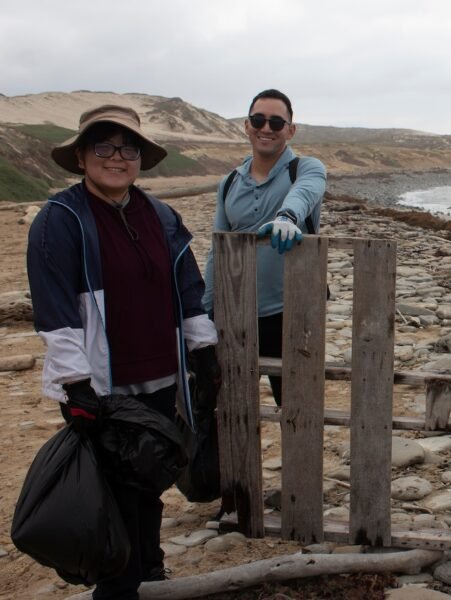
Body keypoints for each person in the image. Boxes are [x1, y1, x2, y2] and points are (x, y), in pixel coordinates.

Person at [27, 105, 220, 598]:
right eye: (103, 146)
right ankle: (118, 587)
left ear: (140, 158)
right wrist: (75, 385)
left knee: (149, 480)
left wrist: (202, 351)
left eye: (128, 148)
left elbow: (187, 287)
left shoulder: (159, 214)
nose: (117, 157)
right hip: (101, 387)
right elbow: (55, 311)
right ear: (81, 157)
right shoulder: (60, 219)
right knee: (113, 492)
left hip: (159, 377)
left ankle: (149, 571)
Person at [202, 89, 327, 406]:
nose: (266, 128)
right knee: (230, 409)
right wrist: (205, 310)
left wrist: (287, 217)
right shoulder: (229, 182)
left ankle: (298, 459)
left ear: (290, 129)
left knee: (298, 410)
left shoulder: (307, 168)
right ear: (247, 125)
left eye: (276, 122)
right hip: (237, 312)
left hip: (293, 311)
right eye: (259, 120)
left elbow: (304, 194)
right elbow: (218, 249)